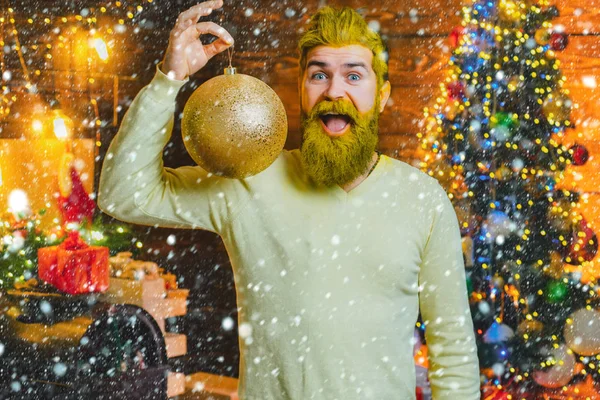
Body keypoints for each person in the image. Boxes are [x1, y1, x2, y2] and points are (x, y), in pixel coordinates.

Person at [98, 1, 480, 399]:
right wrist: (169, 78)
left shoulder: (423, 200)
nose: (335, 91)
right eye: (319, 75)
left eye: (354, 75)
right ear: (301, 89)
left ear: (382, 95)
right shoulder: (250, 181)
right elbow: (123, 194)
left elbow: (452, 347)